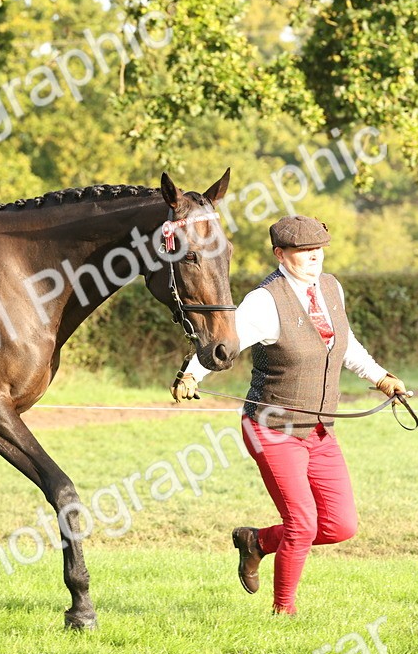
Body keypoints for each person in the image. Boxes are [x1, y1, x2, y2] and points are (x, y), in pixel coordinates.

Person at [171, 215, 406, 616]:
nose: (313, 257)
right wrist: (192, 374)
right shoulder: (264, 301)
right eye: (302, 251)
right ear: (281, 254)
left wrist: (382, 378)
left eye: (318, 250)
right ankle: (285, 614)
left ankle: (256, 542)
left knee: (339, 526)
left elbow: (345, 346)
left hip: (319, 429)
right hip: (272, 428)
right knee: (302, 524)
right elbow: (228, 343)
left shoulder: (331, 288)